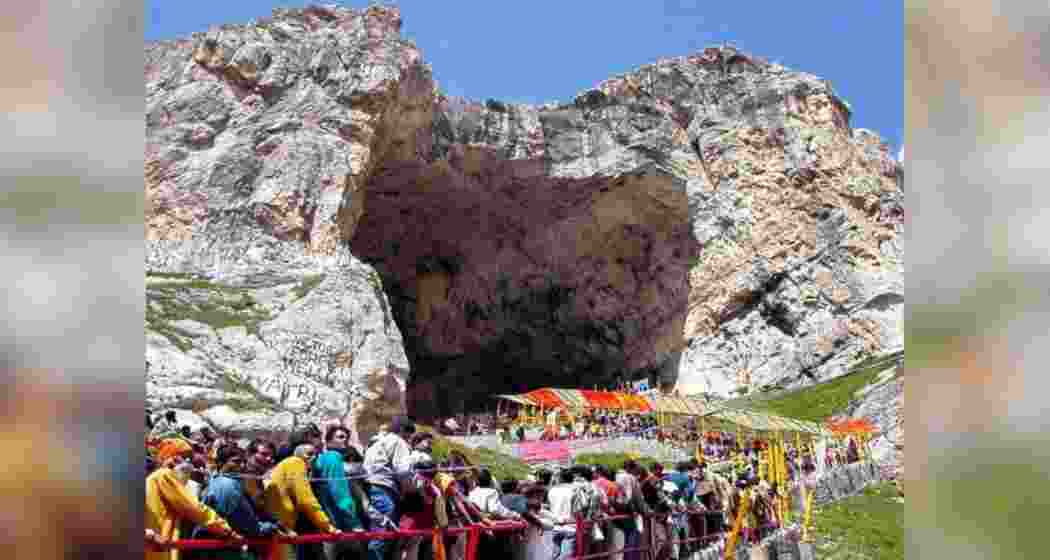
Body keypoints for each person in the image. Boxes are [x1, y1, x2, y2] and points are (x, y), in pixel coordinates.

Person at [146, 439, 239, 560]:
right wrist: (226, 530)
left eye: (190, 458)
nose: (188, 462)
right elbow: (192, 508)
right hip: (158, 546)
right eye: (183, 457)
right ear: (171, 459)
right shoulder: (163, 475)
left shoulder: (157, 478)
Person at [191, 444, 283, 560]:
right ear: (220, 463)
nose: (242, 466)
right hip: (220, 549)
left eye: (244, 462)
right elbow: (250, 526)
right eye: (236, 462)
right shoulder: (228, 485)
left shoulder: (217, 480)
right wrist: (272, 527)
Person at [264, 444, 340, 560]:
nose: (314, 457)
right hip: (280, 528)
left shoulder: (287, 465)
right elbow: (305, 499)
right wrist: (327, 526)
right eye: (309, 454)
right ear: (297, 454)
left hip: (279, 526)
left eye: (316, 454)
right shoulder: (296, 463)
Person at [362, 415, 414, 560]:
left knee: (379, 525)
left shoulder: (376, 440)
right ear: (403, 430)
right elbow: (403, 470)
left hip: (369, 485)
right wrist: (408, 488)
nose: (409, 437)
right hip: (385, 487)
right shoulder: (399, 442)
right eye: (409, 433)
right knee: (384, 529)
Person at [312, 425, 365, 560]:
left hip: (325, 521)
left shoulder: (321, 459)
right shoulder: (333, 457)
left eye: (346, 437)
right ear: (329, 441)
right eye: (340, 437)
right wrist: (354, 523)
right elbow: (339, 492)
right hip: (338, 523)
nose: (345, 440)